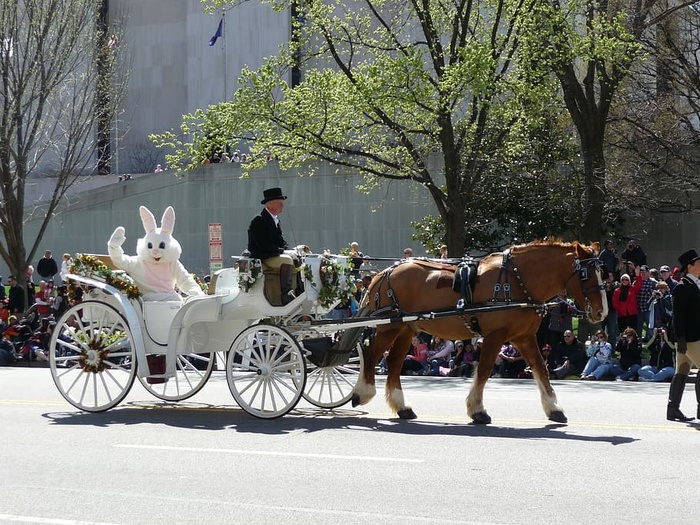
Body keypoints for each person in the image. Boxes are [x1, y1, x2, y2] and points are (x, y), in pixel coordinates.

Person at [247, 187, 302, 306]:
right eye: (280, 203)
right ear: (270, 204)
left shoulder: (276, 221)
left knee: (297, 257)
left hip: (273, 254)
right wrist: (282, 252)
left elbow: (281, 241)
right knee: (287, 260)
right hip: (263, 256)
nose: (283, 206)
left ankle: (299, 289)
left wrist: (289, 250)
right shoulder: (258, 221)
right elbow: (262, 245)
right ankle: (285, 293)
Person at [666, 249, 700, 422]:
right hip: (690, 338)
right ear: (690, 266)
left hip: (692, 336)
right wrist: (680, 339)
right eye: (698, 263)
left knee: (682, 371)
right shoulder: (682, 286)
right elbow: (677, 316)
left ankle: (673, 409)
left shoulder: (695, 284)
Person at [612, 268, 642, 335]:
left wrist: (637, 275)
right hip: (622, 315)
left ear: (629, 281)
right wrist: (620, 309)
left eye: (626, 279)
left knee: (633, 332)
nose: (624, 281)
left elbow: (639, 284)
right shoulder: (617, 291)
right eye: (623, 279)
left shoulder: (633, 289)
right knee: (622, 333)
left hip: (632, 314)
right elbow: (615, 303)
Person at [635, 265, 657, 340]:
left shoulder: (653, 282)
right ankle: (639, 342)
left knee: (649, 327)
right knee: (638, 327)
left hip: (649, 310)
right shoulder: (636, 282)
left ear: (648, 273)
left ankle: (650, 343)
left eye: (644, 273)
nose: (642, 274)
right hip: (639, 309)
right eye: (641, 273)